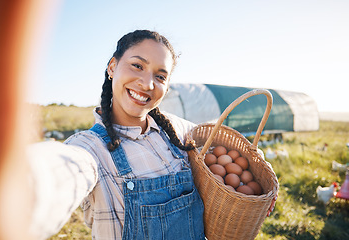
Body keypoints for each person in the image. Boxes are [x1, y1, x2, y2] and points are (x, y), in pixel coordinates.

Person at [27, 29, 276, 239]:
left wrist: (256, 175)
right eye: (137, 66)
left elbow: (230, 153)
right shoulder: (91, 149)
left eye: (160, 76)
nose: (147, 84)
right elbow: (61, 171)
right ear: (112, 67)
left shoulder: (179, 130)